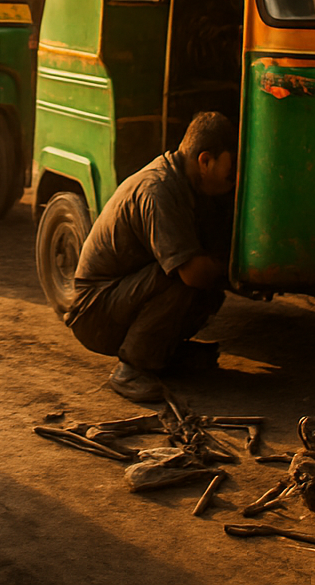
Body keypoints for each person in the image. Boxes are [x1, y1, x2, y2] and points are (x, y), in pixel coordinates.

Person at [64, 111, 238, 403]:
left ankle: (164, 352)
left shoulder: (189, 184)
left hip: (120, 295)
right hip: (95, 310)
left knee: (206, 279)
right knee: (187, 274)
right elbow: (193, 273)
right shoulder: (158, 189)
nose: (233, 182)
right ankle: (132, 369)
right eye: (230, 173)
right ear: (205, 161)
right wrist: (235, 268)